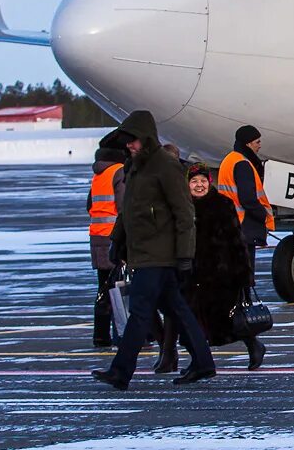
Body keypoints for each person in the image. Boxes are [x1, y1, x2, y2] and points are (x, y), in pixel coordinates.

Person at [93, 111, 215, 390]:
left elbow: (184, 213)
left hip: (160, 254)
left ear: (145, 138)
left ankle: (121, 371)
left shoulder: (165, 166)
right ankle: (204, 363)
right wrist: (116, 242)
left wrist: (185, 255)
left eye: (133, 141)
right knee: (178, 309)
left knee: (140, 311)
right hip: (144, 252)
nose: (130, 146)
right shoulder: (134, 168)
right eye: (127, 143)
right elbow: (128, 212)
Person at [157, 163, 266, 372]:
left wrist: (244, 275)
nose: (199, 186)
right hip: (192, 274)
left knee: (226, 320)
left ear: (210, 182)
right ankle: (197, 361)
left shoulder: (222, 204)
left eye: (203, 181)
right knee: (191, 323)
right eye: (194, 181)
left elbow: (237, 240)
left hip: (220, 274)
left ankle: (253, 345)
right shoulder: (182, 206)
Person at [218, 125, 275, 276]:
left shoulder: (229, 159)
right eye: (257, 142)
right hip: (243, 225)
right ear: (248, 144)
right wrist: (263, 215)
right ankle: (244, 300)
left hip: (229, 223)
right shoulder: (243, 163)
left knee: (233, 270)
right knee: (244, 273)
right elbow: (248, 199)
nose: (259, 145)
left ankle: (238, 299)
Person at [87, 141, 128, 347]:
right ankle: (121, 333)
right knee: (119, 288)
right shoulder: (119, 171)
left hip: (97, 236)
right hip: (114, 237)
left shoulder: (99, 173)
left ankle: (100, 335)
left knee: (104, 287)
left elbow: (90, 205)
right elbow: (124, 207)